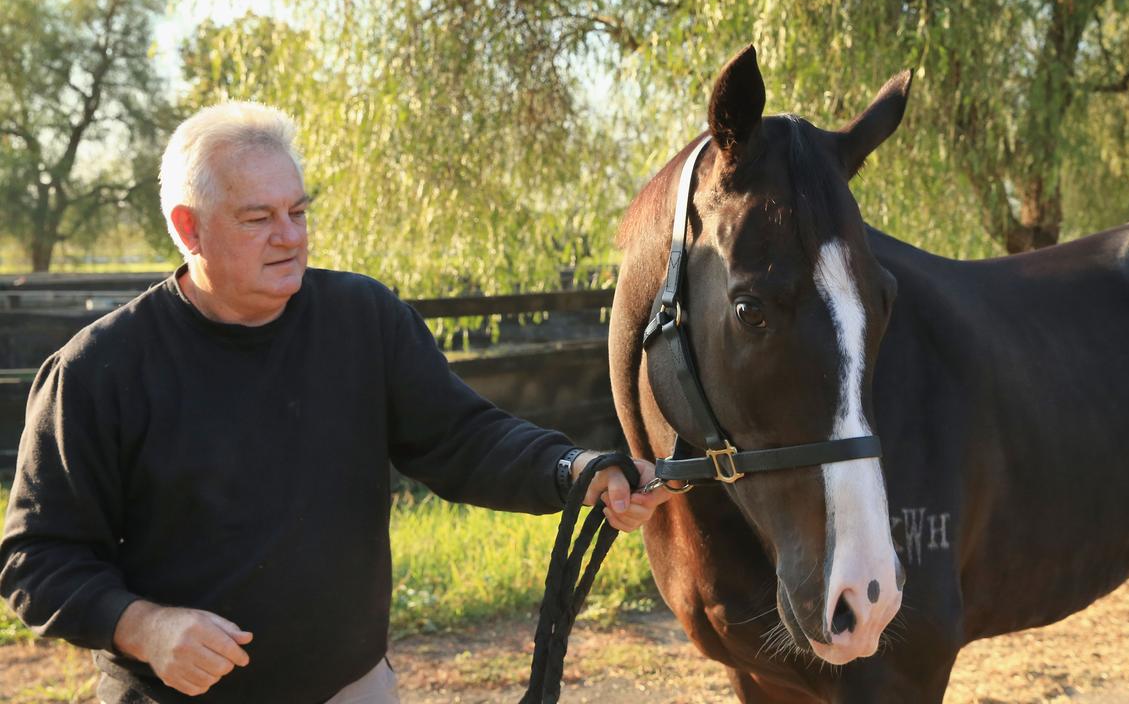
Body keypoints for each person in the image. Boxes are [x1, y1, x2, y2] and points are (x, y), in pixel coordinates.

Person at [0, 101, 672, 703]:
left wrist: (576, 470)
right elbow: (35, 558)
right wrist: (142, 627)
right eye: (258, 217)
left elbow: (463, 440)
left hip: (353, 689)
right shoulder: (98, 370)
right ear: (189, 228)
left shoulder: (363, 318)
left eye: (297, 211)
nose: (290, 236)